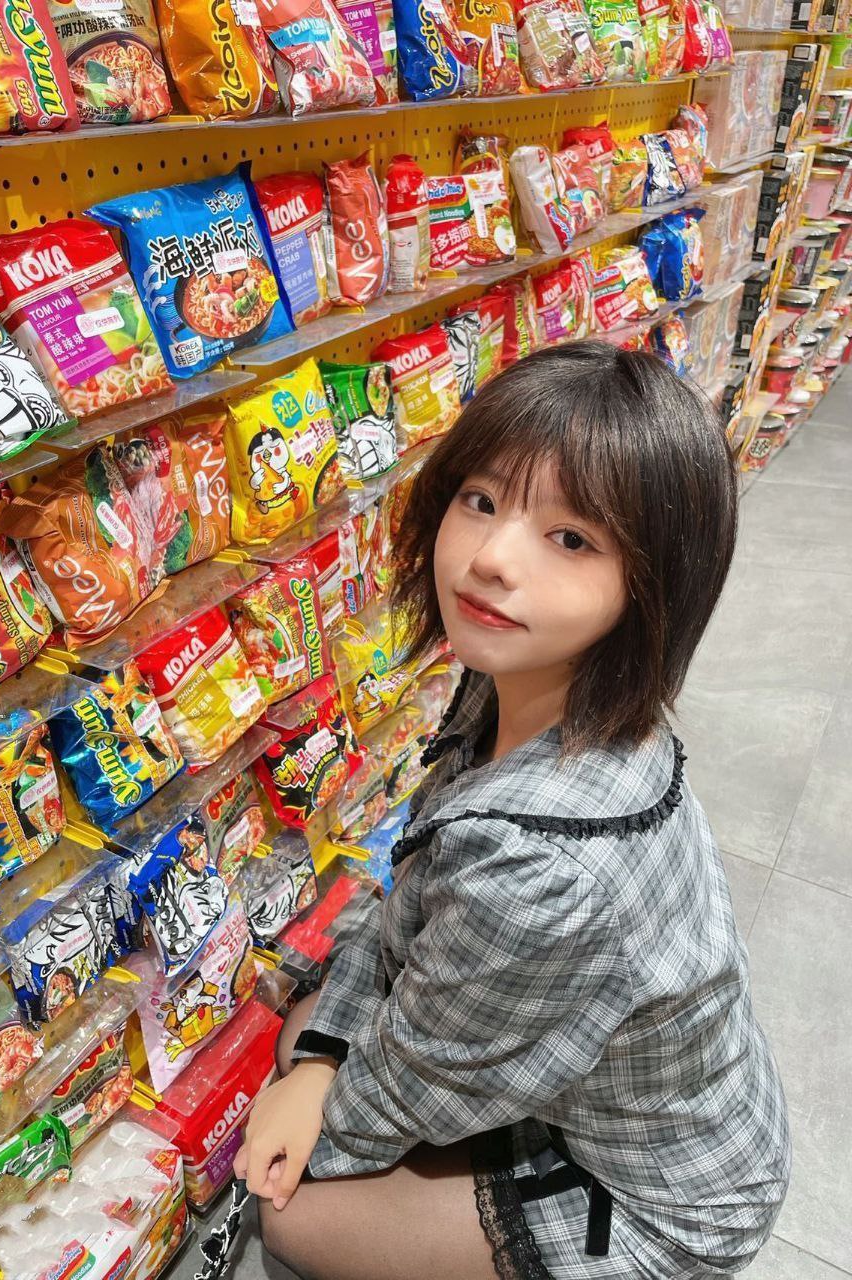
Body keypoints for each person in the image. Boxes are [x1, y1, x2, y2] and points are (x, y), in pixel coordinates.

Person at [233, 342, 791, 1280]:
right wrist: (323, 1055)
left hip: (662, 1204)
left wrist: (317, 1105)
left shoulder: (541, 863)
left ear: (653, 584)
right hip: (677, 1104)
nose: (491, 558)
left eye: (571, 539)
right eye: (481, 500)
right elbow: (412, 893)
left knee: (290, 1214)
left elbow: (417, 1085)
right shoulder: (546, 689)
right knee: (310, 1035)